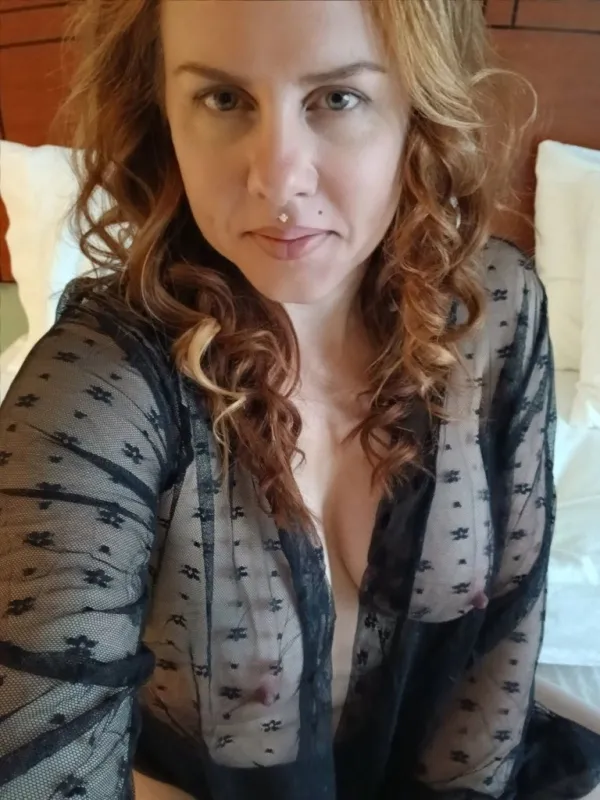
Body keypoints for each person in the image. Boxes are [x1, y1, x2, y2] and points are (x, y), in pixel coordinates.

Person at [0, 1, 599, 798]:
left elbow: (502, 645)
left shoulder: (493, 310)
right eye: (224, 99)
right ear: (162, 112)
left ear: (417, 107)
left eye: (337, 98)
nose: (278, 180)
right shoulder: (98, 389)